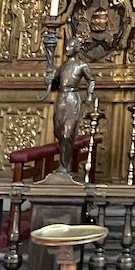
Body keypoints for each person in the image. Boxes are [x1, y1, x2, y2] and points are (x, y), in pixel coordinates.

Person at [41, 35, 95, 176]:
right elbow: (55, 84)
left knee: (67, 133)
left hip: (72, 99)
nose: (66, 49)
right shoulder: (63, 66)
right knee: (58, 132)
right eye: (66, 46)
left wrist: (89, 96)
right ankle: (65, 162)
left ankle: (64, 166)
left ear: (76, 49)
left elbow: (91, 80)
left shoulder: (81, 66)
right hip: (61, 98)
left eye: (69, 46)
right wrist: (49, 81)